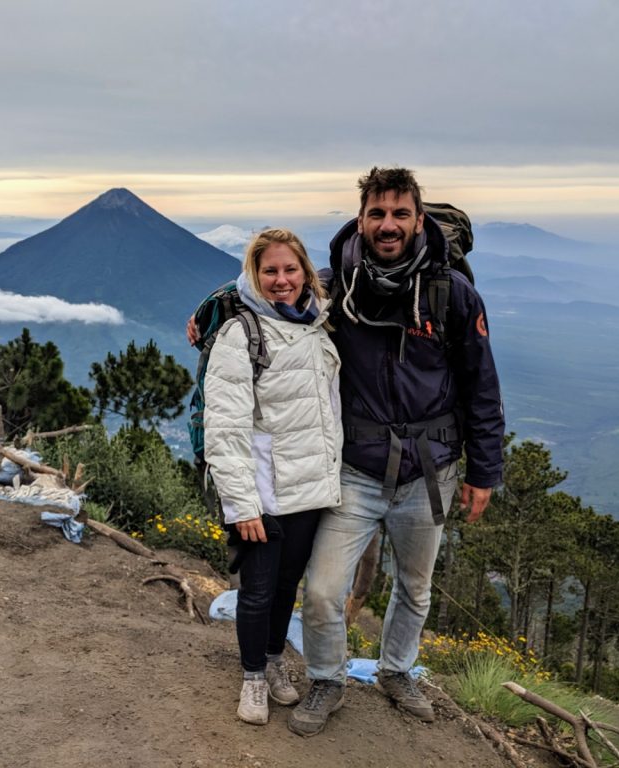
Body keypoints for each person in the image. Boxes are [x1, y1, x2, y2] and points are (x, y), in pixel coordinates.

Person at [285, 167, 505, 737]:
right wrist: (209, 315)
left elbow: (482, 383)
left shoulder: (452, 292)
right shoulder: (335, 286)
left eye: (400, 214)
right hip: (355, 468)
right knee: (323, 590)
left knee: (416, 585)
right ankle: (328, 679)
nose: (388, 225)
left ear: (419, 219)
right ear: (361, 219)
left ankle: (396, 670)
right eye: (377, 214)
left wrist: (484, 470)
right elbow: (268, 298)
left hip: (429, 469)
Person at [202, 228, 343, 726]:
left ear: (306, 272)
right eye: (269, 271)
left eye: (290, 269)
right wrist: (241, 505)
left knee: (286, 588)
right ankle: (253, 679)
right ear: (253, 276)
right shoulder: (241, 334)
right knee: (258, 591)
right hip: (262, 493)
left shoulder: (316, 325)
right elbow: (225, 428)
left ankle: (274, 662)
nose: (281, 280)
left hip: (308, 490)